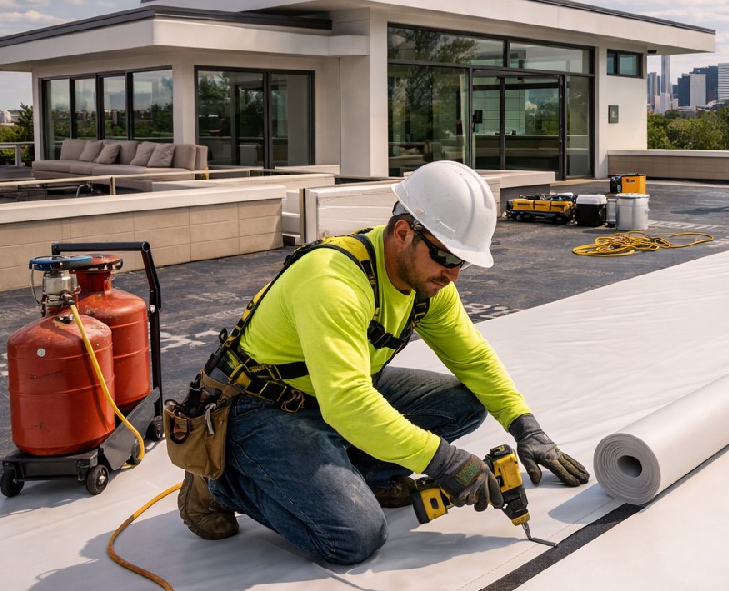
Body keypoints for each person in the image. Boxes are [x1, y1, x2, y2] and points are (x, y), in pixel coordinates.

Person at [176, 160, 590, 564]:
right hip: (258, 407)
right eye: (446, 257)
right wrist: (444, 461)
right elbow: (349, 402)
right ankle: (221, 482)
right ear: (404, 232)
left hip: (326, 397)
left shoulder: (428, 284)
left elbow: (473, 358)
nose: (453, 275)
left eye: (461, 262)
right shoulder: (332, 281)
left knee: (464, 402)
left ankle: (357, 475)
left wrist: (525, 426)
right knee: (353, 536)